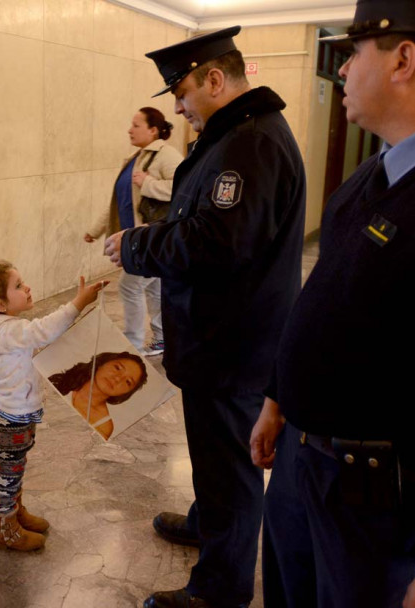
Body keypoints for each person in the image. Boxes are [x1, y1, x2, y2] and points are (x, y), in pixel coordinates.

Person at [249, 1, 415, 606]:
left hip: (380, 500)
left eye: (354, 54)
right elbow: (324, 299)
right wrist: (277, 397)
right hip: (303, 462)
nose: (342, 72)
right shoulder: (375, 172)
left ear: (403, 59)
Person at [104, 26, 306, 608]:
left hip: (233, 341)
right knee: (213, 454)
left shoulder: (251, 143)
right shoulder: (236, 134)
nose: (177, 105)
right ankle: (207, 520)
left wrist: (139, 245)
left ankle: (220, 589)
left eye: (182, 91)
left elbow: (219, 242)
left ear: (216, 79)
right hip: (220, 335)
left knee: (232, 467)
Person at [0, 253, 107, 551]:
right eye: (19, 285)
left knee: (13, 470)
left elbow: (38, 340)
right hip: (8, 421)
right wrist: (77, 303)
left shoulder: (1, 329)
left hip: (8, 417)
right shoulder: (8, 330)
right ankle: (5, 531)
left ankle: (15, 513)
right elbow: (43, 329)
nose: (26, 288)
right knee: (6, 477)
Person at [85, 108, 183, 357]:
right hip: (135, 237)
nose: (130, 129)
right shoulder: (135, 158)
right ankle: (162, 338)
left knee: (130, 286)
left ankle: (133, 346)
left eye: (136, 125)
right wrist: (95, 230)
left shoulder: (166, 155)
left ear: (153, 130)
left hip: (152, 237)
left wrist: (148, 183)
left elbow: (184, 190)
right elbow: (119, 202)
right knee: (152, 288)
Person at [48, 351, 148, 440]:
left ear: (127, 393)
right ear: (102, 363)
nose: (118, 378)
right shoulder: (60, 379)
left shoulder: (104, 425)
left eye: (128, 382)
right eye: (117, 368)